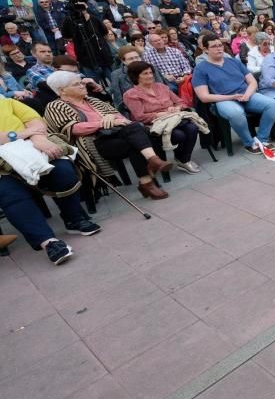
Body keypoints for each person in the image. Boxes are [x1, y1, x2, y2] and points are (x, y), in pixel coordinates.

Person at [0, 97, 101, 264]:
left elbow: (36, 123)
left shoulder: (7, 102)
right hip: (3, 167)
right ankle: (48, 242)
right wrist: (24, 134)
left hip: (31, 147)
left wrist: (38, 139)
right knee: (10, 195)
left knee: (62, 170)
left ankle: (73, 218)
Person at [44, 70, 172, 199]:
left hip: (118, 136)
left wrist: (111, 116)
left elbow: (123, 120)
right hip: (93, 142)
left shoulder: (92, 100)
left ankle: (148, 178)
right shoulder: (56, 106)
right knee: (136, 138)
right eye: (76, 84)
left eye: (82, 83)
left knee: (134, 132)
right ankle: (152, 164)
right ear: (62, 91)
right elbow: (73, 129)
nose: (83, 86)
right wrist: (102, 123)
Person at [192, 32, 275, 154]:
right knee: (236, 113)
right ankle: (249, 142)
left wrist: (247, 95)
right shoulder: (201, 68)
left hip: (245, 95)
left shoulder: (234, 62)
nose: (218, 48)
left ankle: (261, 139)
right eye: (214, 46)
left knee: (272, 104)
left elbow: (252, 82)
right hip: (223, 99)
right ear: (205, 50)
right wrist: (231, 97)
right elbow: (204, 97)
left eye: (220, 45)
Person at [123, 61, 203, 174]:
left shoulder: (161, 87)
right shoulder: (131, 94)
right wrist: (159, 114)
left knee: (192, 128)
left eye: (151, 72)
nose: (150, 76)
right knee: (179, 135)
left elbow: (180, 102)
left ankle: (183, 160)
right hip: (154, 125)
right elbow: (139, 117)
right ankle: (182, 159)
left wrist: (177, 108)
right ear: (136, 76)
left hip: (175, 119)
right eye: (145, 73)